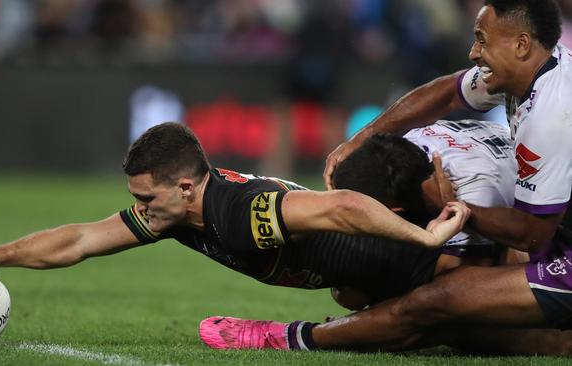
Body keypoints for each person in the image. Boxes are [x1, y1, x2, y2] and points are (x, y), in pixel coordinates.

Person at [200, 0, 572, 354]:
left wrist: (451, 205)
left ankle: (291, 338)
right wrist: (365, 137)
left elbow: (531, 234)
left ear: (522, 44)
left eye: (482, 41)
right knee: (465, 316)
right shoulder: (537, 68)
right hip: (553, 231)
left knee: (438, 300)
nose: (474, 53)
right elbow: (445, 93)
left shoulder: (552, 116)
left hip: (554, 245)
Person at [0, 122, 468, 332]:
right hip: (373, 283)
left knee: (529, 337)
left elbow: (338, 207)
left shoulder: (242, 212)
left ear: (185, 188)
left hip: (424, 264)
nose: (138, 210)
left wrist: (426, 238)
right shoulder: (175, 215)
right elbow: (80, 239)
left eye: (145, 198)